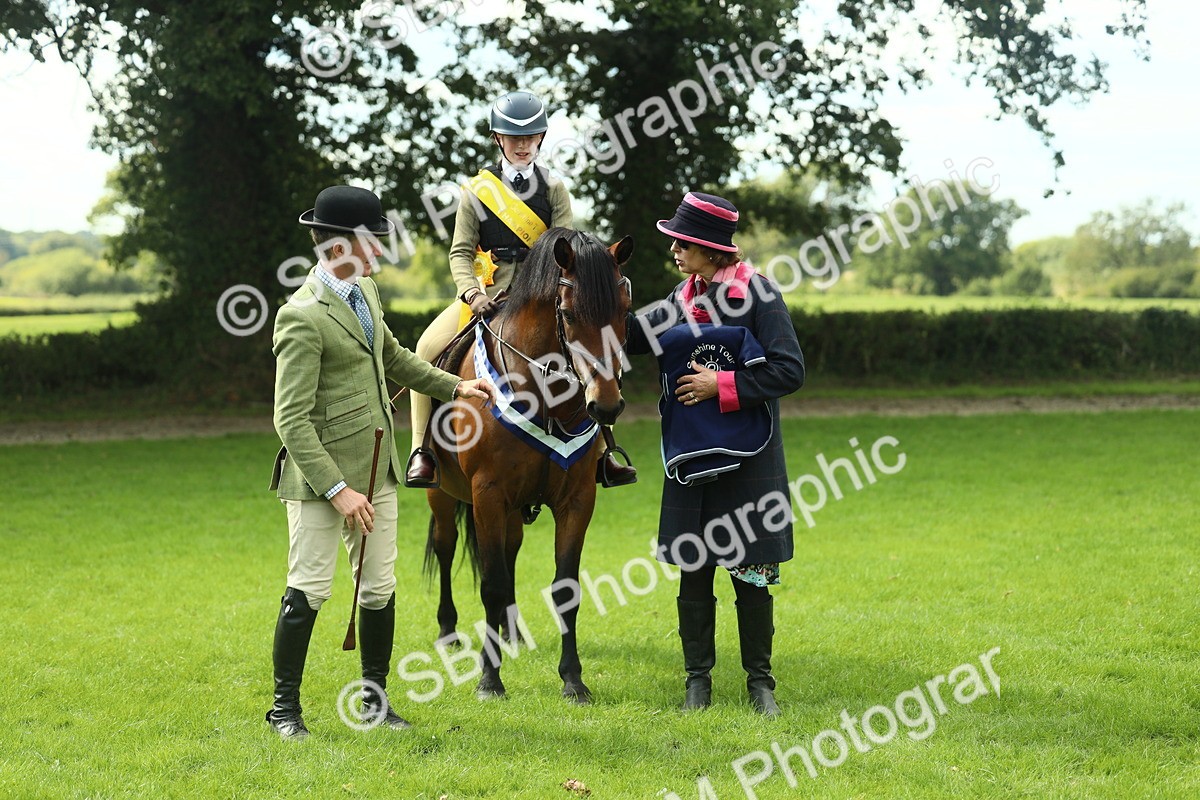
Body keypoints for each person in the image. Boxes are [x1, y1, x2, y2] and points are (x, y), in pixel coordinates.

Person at [267, 184, 494, 740]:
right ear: (338, 246)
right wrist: (337, 490)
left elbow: (393, 357)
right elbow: (290, 420)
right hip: (320, 482)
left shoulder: (365, 291)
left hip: (378, 470)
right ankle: (284, 711)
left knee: (377, 588)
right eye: (372, 242)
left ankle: (374, 701)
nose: (380, 252)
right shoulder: (300, 317)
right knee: (310, 589)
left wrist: (456, 387)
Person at [626, 192, 805, 716]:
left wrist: (719, 385)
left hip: (751, 459)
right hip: (692, 460)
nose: (674, 251)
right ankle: (696, 684)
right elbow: (634, 337)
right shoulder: (679, 297)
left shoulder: (760, 294)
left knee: (752, 577)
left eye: (682, 243)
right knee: (695, 571)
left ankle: (760, 685)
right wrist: (596, 293)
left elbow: (789, 370)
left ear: (709, 248)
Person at [405, 89, 636, 488]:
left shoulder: (553, 188)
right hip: (487, 296)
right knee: (426, 348)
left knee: (593, 348)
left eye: (530, 137)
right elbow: (460, 252)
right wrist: (472, 293)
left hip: (542, 299)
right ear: (498, 139)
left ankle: (603, 451)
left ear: (541, 138)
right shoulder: (476, 191)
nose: (523, 145)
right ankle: (421, 450)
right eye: (514, 138)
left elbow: (570, 249)